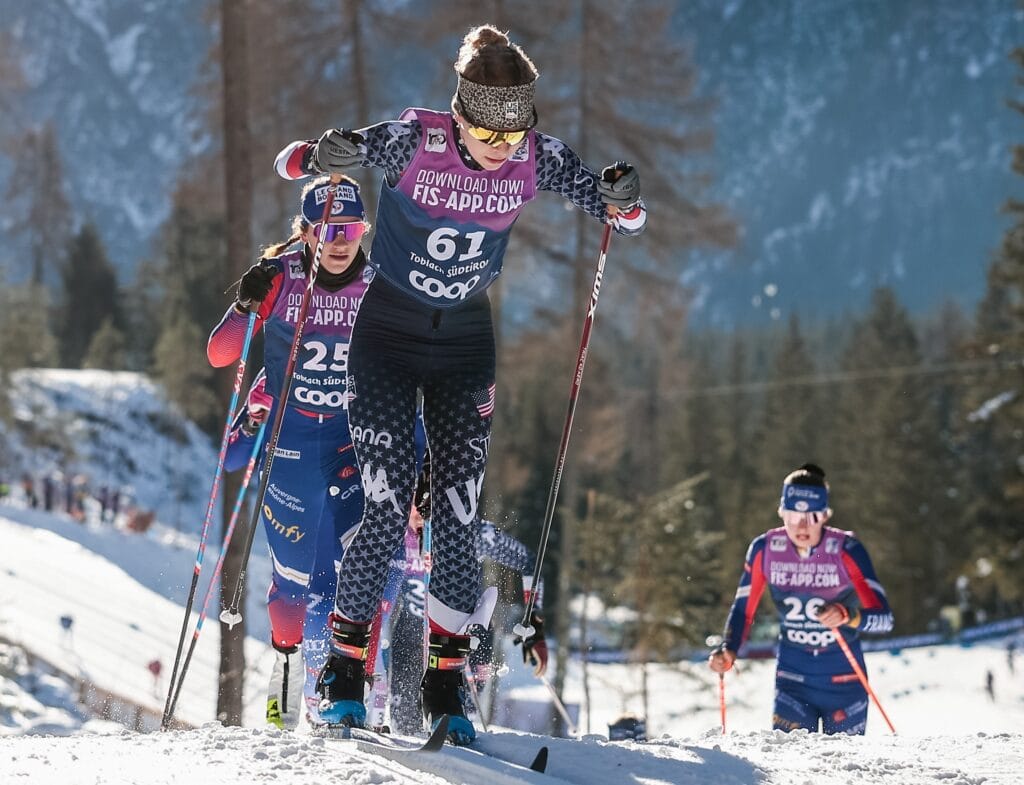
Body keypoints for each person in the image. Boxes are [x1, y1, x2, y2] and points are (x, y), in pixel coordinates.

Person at [274, 23, 646, 744]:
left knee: (456, 517)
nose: (501, 149)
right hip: (386, 336)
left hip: (465, 345)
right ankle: (343, 675)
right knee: (385, 508)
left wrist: (624, 199)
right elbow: (302, 163)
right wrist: (320, 153)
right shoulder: (417, 139)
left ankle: (445, 685)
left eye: (513, 138)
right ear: (460, 113)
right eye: (488, 134)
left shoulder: (536, 156)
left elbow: (622, 220)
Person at [207, 174, 371, 729]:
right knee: (292, 587)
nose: (339, 240)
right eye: (327, 229)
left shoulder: (377, 282)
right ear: (305, 233)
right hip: (292, 452)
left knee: (366, 567)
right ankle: (287, 673)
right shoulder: (281, 278)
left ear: (363, 230)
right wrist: (244, 302)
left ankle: (349, 691)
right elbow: (219, 354)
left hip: (352, 446)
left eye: (349, 228)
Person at [708, 463, 894, 735]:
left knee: (844, 772)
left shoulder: (847, 549)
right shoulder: (766, 549)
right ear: (782, 514)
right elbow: (743, 610)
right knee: (790, 768)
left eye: (813, 517)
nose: (802, 526)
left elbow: (884, 620)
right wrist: (729, 649)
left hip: (844, 684)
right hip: (793, 682)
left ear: (825, 516)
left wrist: (847, 615)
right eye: (794, 516)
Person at [375, 454, 547, 734]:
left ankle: (459, 734)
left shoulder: (470, 532)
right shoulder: (393, 534)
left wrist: (534, 620)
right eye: (413, 502)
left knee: (457, 703)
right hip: (411, 637)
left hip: (464, 637)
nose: (420, 512)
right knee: (406, 720)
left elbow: (529, 562)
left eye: (426, 503)